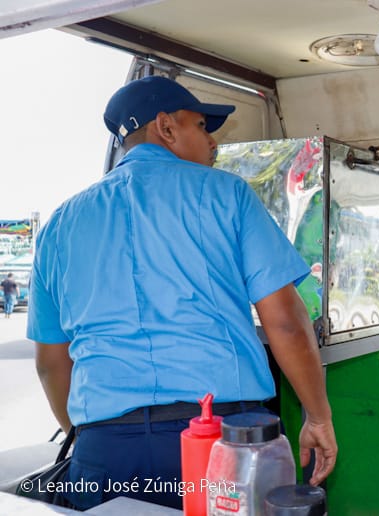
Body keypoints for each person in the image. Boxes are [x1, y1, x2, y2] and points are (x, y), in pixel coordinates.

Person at [27, 76, 337, 510]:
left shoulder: (59, 225)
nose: (212, 142)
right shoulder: (228, 194)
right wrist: (318, 416)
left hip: (106, 450)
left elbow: (51, 363)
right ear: (166, 127)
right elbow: (284, 320)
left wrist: (92, 433)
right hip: (221, 442)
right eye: (202, 127)